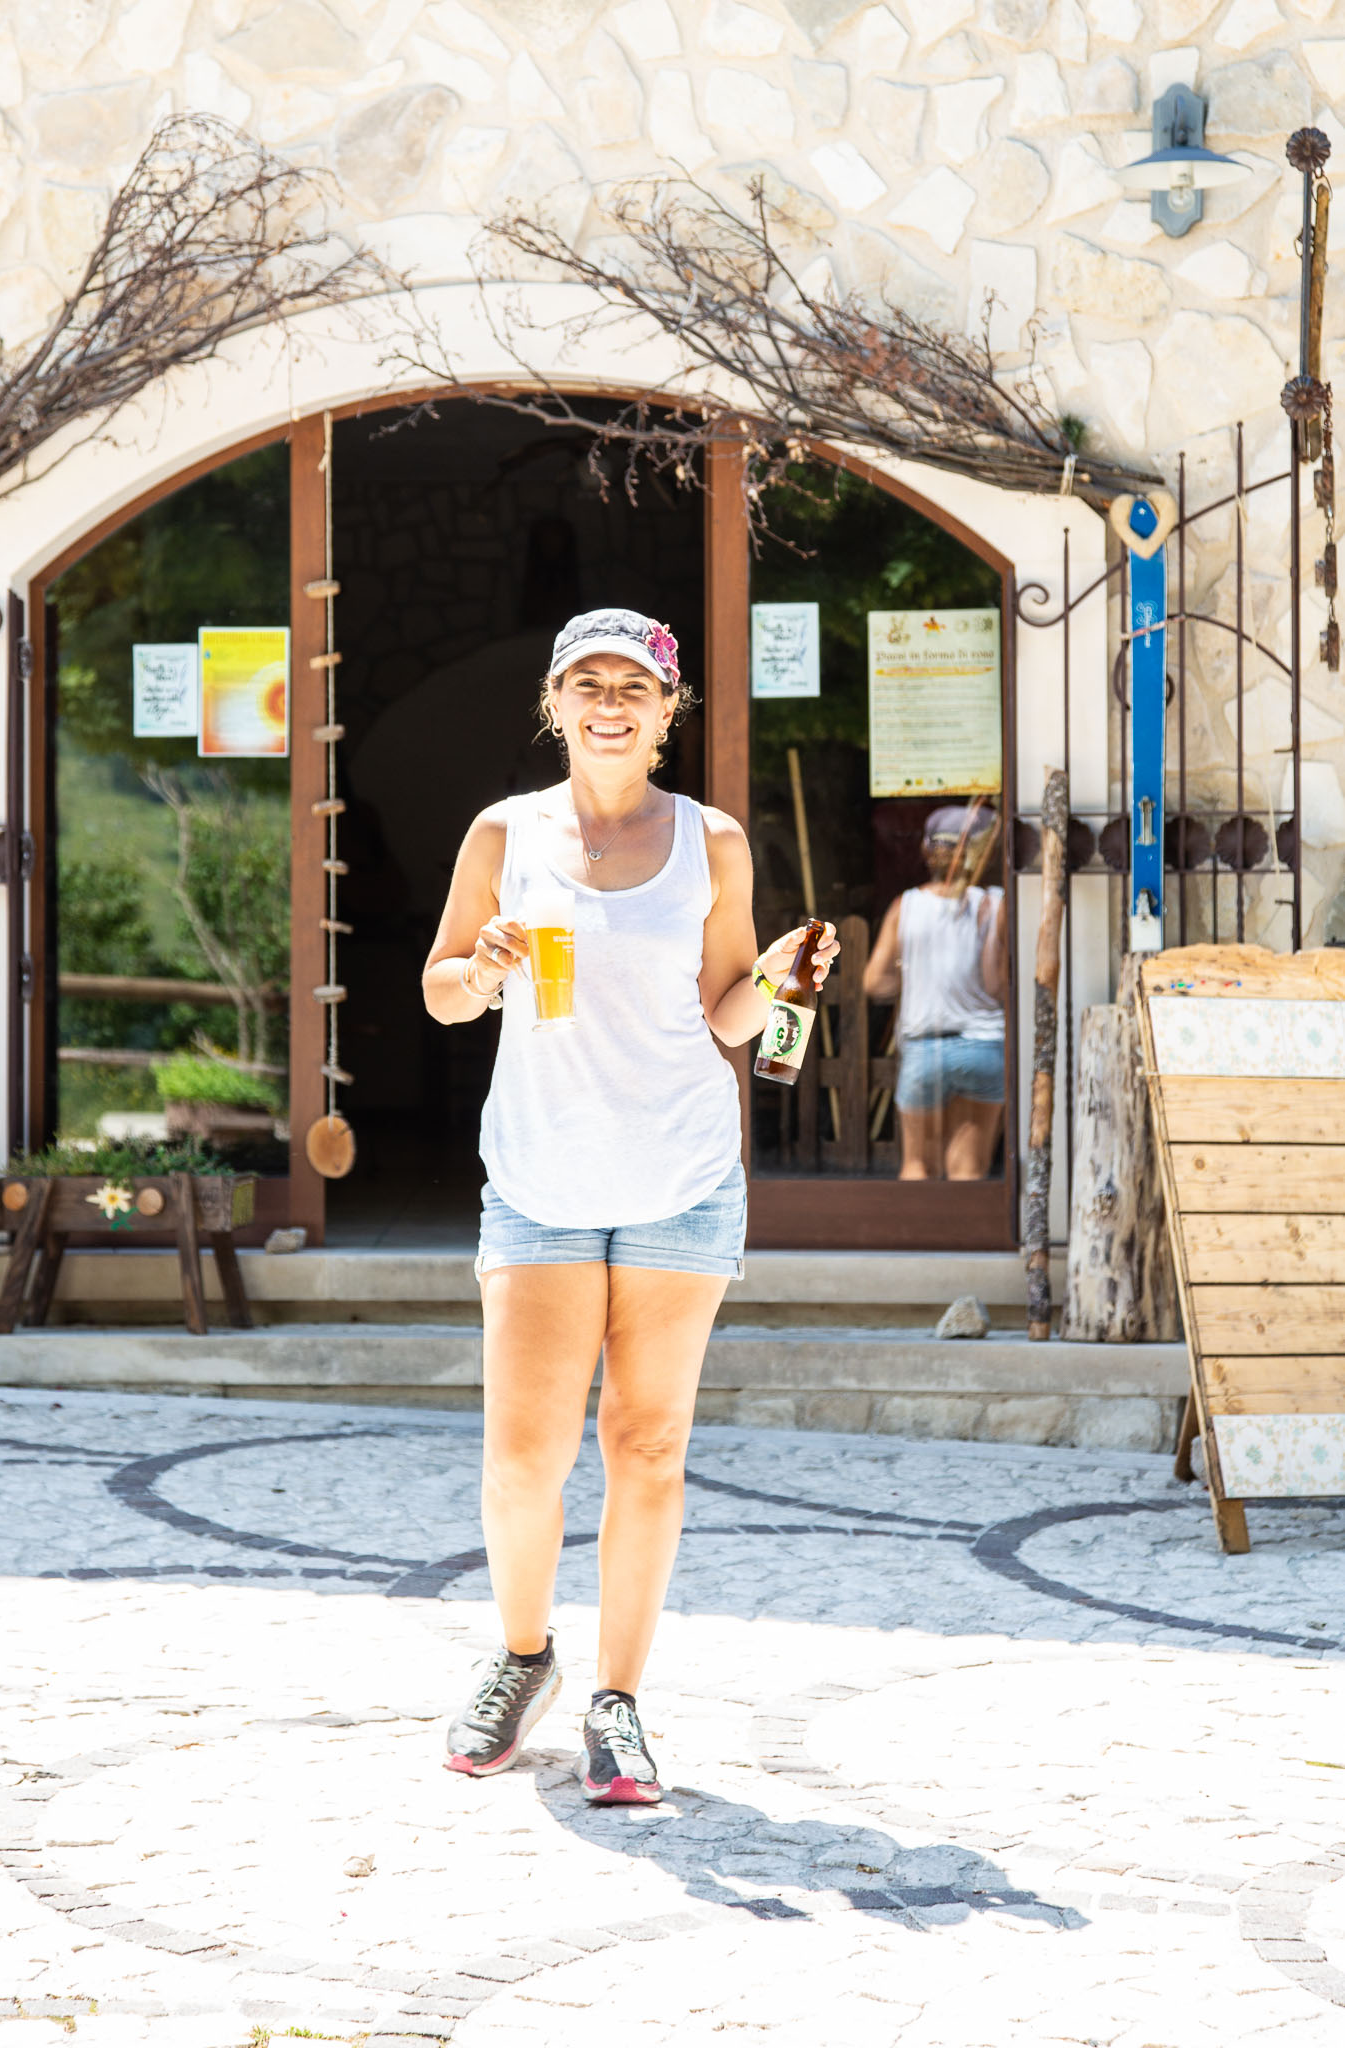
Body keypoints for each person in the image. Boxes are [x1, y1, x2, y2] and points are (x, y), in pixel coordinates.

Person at [422, 607, 837, 1805]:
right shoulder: (503, 832)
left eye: (633, 687)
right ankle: (521, 1656)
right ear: (556, 703)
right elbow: (442, 993)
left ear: (667, 710)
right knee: (524, 1459)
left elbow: (726, 1014)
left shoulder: (713, 842)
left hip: (680, 1181)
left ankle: (617, 1700)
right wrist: (480, 970)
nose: (610, 704)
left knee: (647, 1447)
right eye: (587, 684)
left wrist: (779, 980)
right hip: (542, 1183)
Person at [862, 804, 1008, 1181]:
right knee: (969, 1168)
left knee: (917, 1166)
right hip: (983, 1046)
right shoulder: (994, 903)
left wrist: (910, 971)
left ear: (928, 851)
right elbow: (996, 985)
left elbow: (874, 983)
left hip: (924, 1049)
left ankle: (912, 1222)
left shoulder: (906, 906)